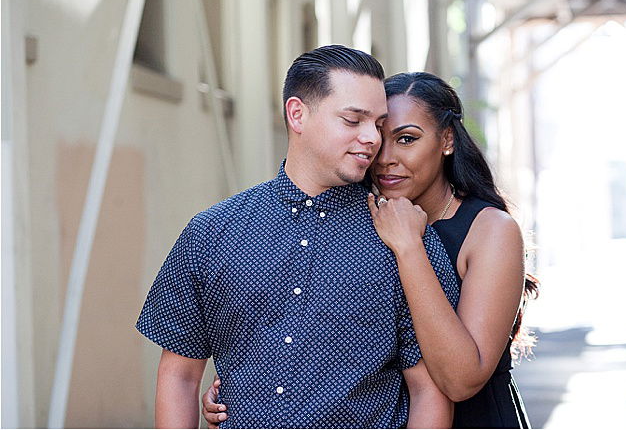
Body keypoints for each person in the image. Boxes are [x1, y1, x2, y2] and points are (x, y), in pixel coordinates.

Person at [136, 46, 460, 428]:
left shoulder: (407, 241)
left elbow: (429, 391)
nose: (373, 138)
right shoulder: (211, 233)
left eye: (378, 123)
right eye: (353, 120)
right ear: (297, 114)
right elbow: (180, 376)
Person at [202, 71, 537, 429]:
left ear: (447, 140)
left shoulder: (491, 231)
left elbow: (460, 381)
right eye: (379, 136)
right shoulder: (359, 219)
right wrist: (247, 392)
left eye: (407, 139)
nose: (385, 158)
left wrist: (409, 248)